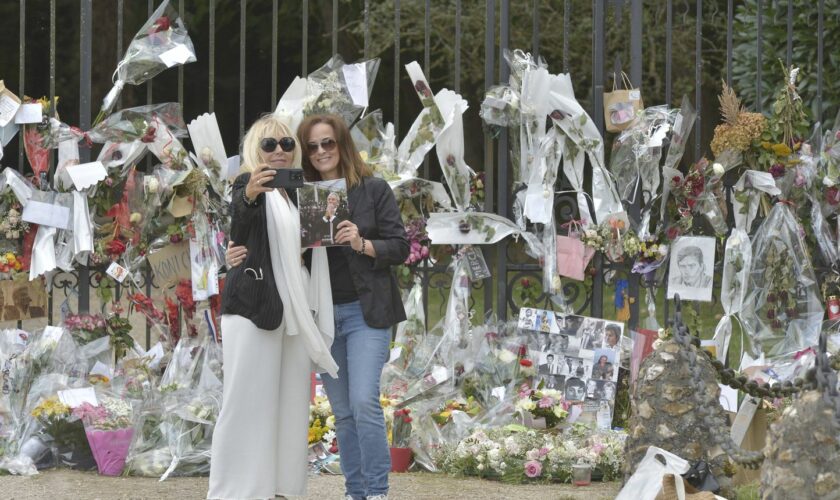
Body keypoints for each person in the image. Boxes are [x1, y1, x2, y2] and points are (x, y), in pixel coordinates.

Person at [226, 114, 408, 500]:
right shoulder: (295, 193)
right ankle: (354, 491)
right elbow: (257, 232)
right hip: (320, 313)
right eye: (311, 145)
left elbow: (401, 247)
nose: (321, 151)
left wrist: (362, 243)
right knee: (342, 411)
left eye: (328, 143)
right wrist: (233, 252)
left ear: (343, 144)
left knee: (363, 402)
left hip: (364, 311)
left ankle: (376, 491)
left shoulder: (372, 190)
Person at [208, 115, 339, 500]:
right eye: (269, 145)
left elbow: (318, 247)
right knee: (246, 399)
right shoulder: (247, 183)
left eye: (285, 144)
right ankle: (236, 491)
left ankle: (282, 487)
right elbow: (239, 218)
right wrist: (249, 193)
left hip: (297, 306)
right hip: (254, 304)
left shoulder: (300, 190)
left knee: (292, 402)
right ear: (255, 149)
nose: (279, 151)